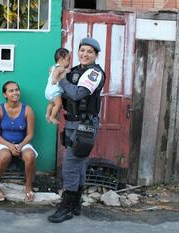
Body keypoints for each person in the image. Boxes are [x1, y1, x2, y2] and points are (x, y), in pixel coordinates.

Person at [48, 38, 106, 223]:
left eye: (90, 51)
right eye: (82, 50)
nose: (85, 54)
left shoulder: (94, 73)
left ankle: (65, 207)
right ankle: (75, 205)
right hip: (72, 123)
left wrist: (61, 79)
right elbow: (64, 94)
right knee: (79, 165)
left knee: (70, 166)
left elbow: (77, 93)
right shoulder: (73, 72)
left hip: (85, 126)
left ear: (96, 55)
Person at [0, 81, 38, 202]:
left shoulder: (27, 110)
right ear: (5, 94)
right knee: (4, 156)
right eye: (11, 90)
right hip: (4, 143)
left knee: (30, 156)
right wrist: (9, 146)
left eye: (17, 90)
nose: (15, 93)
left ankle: (28, 186)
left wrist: (20, 145)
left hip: (22, 143)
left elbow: (30, 134)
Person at [44, 48, 71, 125]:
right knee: (58, 104)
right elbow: (57, 72)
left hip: (48, 91)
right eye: (68, 59)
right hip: (55, 91)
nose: (69, 62)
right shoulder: (61, 68)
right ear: (62, 59)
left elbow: (51, 71)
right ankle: (52, 117)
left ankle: (48, 114)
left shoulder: (52, 67)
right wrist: (55, 78)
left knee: (51, 104)